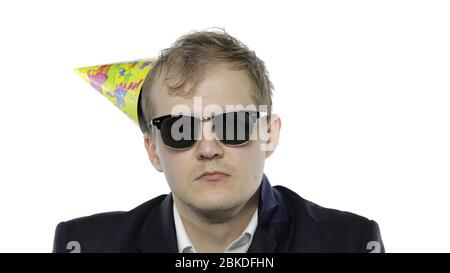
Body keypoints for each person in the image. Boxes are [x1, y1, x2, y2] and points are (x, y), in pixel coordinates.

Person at [53, 29, 384, 253]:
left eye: (233, 124)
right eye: (180, 129)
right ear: (153, 150)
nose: (209, 148)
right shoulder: (85, 246)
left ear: (268, 134)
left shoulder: (348, 244)